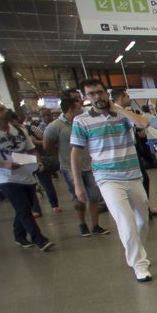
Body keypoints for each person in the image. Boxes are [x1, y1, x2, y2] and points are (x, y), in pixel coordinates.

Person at [71, 79, 154, 281]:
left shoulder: (123, 115)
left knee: (143, 220)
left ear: (106, 93)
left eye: (99, 92)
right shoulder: (81, 121)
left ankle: (137, 250)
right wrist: (77, 184)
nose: (96, 97)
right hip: (107, 178)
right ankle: (139, 265)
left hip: (133, 174)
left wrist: (119, 109)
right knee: (126, 222)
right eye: (91, 94)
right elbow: (76, 153)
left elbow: (143, 123)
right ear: (85, 98)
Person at [0, 101, 53, 250]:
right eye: (0, 109)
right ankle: (39, 239)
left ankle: (19, 235)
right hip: (5, 177)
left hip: (25, 173)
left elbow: (31, 149)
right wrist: (4, 164)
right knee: (23, 207)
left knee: (24, 207)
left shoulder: (18, 129)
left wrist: (38, 162)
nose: (5, 111)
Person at [45, 95, 106, 237]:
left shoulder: (83, 122)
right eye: (79, 107)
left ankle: (96, 225)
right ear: (71, 109)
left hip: (89, 165)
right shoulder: (56, 126)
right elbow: (47, 145)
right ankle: (82, 224)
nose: (82, 109)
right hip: (69, 167)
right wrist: (62, 155)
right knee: (78, 197)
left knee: (94, 196)